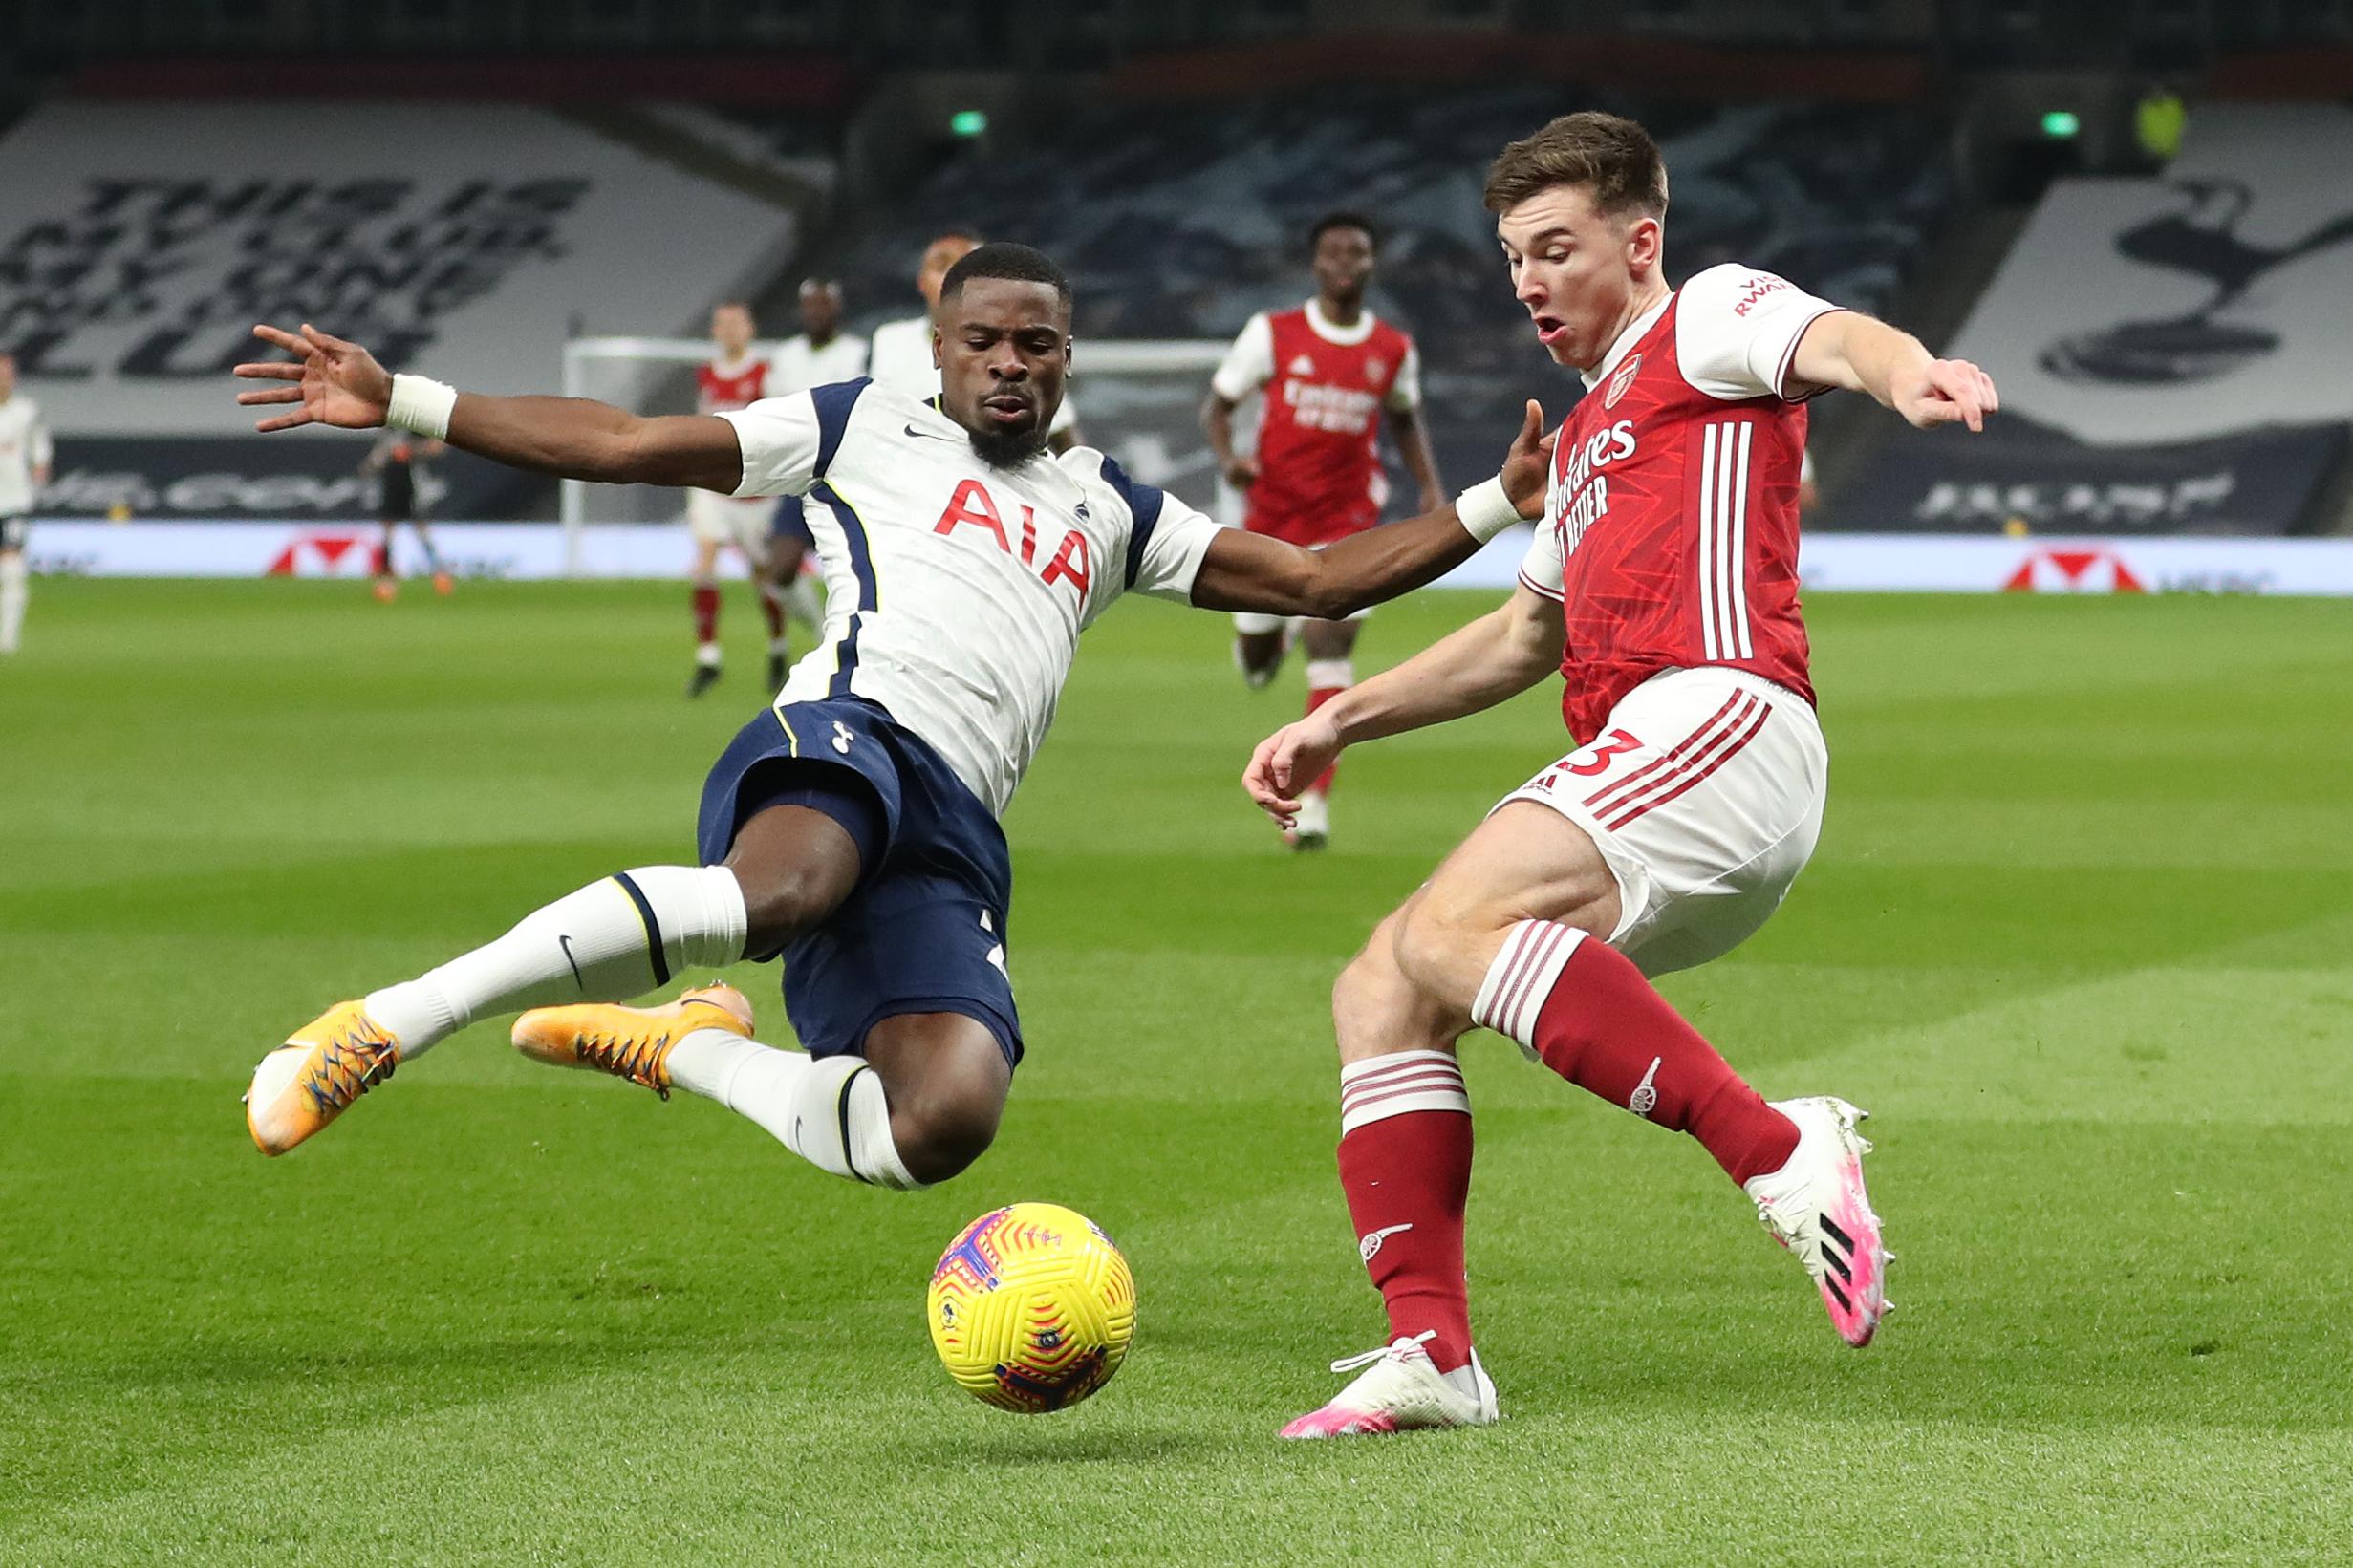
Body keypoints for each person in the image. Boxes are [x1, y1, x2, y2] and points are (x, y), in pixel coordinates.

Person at [229, 244, 1553, 1199]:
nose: (1009, 363)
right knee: (787, 886)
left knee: (944, 1117)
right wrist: (406, 398)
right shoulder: (858, 425)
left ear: (1065, 360)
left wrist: (1494, 503)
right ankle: (393, 1019)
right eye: (983, 340)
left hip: (956, 824)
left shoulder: (1113, 508)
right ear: (941, 349)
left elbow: (1316, 578)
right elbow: (627, 443)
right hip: (846, 734)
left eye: (1035, 343)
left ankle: (690, 1050)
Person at [1242, 113, 1999, 1437]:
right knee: (1381, 983)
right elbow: (1521, 638)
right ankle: (1432, 1354)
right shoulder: (1586, 436)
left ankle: (1781, 1147)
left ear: (1637, 242)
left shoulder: (1703, 317)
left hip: (1724, 715)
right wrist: (1336, 721)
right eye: (1510, 258)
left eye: (1554, 249)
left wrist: (1909, 371)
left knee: (1447, 927)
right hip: (1642, 762)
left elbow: (1835, 340)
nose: (1527, 280)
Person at [1204, 213, 1445, 850]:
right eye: (1334, 251)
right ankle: (1263, 645)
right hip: (1271, 522)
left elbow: (1405, 421)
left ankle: (1312, 804)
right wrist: (1230, 458)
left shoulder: (1393, 349)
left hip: (1348, 525)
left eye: (1358, 251)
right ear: (1316, 264)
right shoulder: (1273, 333)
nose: (1345, 261)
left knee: (1332, 645)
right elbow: (1218, 406)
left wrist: (1430, 488)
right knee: (1257, 663)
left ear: (1371, 263)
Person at [871, 229, 1085, 453]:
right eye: (941, 265)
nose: (1008, 364)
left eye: (965, 266)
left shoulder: (1025, 354)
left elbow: (1065, 441)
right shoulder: (888, 341)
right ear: (922, 281)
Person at [760, 278, 868, 690]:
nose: (816, 314)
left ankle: (860, 649)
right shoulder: (785, 357)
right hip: (801, 478)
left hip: (846, 479)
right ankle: (828, 639)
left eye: (824, 306)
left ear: (837, 310)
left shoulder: (858, 354)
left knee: (856, 572)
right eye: (810, 306)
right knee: (781, 570)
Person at [684, 302, 790, 698]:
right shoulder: (707, 376)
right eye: (722, 324)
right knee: (704, 559)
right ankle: (708, 656)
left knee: (763, 574)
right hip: (713, 487)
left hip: (755, 492)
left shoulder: (766, 375)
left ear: (749, 329)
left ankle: (778, 646)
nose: (729, 331)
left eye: (736, 324)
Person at [357, 429, 451, 601]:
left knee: (421, 531)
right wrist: (374, 463)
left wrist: (412, 449)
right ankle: (387, 579)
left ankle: (439, 573)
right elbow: (375, 459)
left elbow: (438, 447)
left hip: (411, 487)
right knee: (387, 534)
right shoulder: (388, 432)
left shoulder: (415, 430)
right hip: (391, 487)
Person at [0, 354, 53, 655]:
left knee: (11, 570)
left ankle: (8, 640)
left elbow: (40, 444)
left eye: (7, 374)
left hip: (13, 501)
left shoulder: (26, 411)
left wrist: (40, 467)